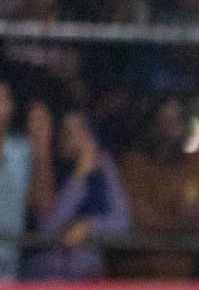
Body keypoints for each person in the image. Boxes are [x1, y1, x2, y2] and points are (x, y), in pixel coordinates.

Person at [116, 97, 199, 279]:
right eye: (163, 122)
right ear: (150, 126)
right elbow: (136, 215)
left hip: (196, 267)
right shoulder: (134, 164)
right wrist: (178, 223)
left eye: (176, 121)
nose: (170, 131)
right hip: (143, 268)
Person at [25, 109, 130, 280]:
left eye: (75, 131)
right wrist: (78, 177)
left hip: (87, 274)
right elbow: (48, 228)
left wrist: (89, 226)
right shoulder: (46, 166)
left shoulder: (103, 167)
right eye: (64, 132)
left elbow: (122, 223)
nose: (67, 137)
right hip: (47, 277)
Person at [0, 79, 54, 281]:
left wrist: (41, 147)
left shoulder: (22, 151)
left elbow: (43, 204)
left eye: (2, 97)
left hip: (10, 272)